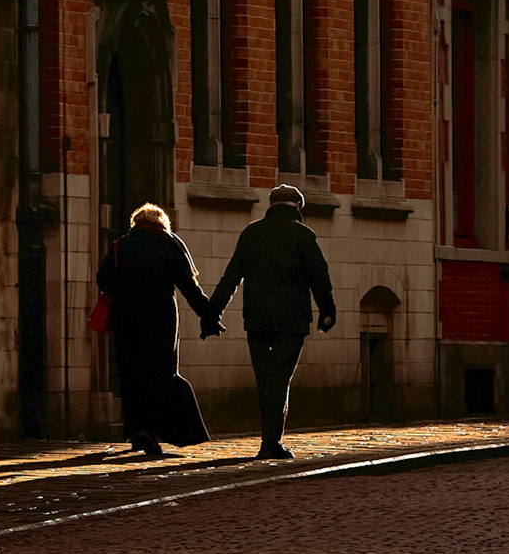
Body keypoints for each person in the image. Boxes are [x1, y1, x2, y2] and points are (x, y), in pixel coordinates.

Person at [208, 184, 336, 459]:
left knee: (265, 378)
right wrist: (327, 311)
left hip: (257, 319)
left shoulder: (251, 233)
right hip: (291, 320)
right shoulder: (303, 235)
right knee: (279, 379)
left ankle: (269, 439)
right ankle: (271, 442)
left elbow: (231, 277)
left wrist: (212, 312)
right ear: (298, 207)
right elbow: (319, 277)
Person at [96, 203, 216, 457]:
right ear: (161, 224)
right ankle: (152, 431)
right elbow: (188, 286)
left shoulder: (120, 246)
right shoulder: (169, 246)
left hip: (126, 321)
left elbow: (103, 278)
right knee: (159, 375)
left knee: (131, 375)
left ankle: (136, 430)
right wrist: (209, 315)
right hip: (160, 321)